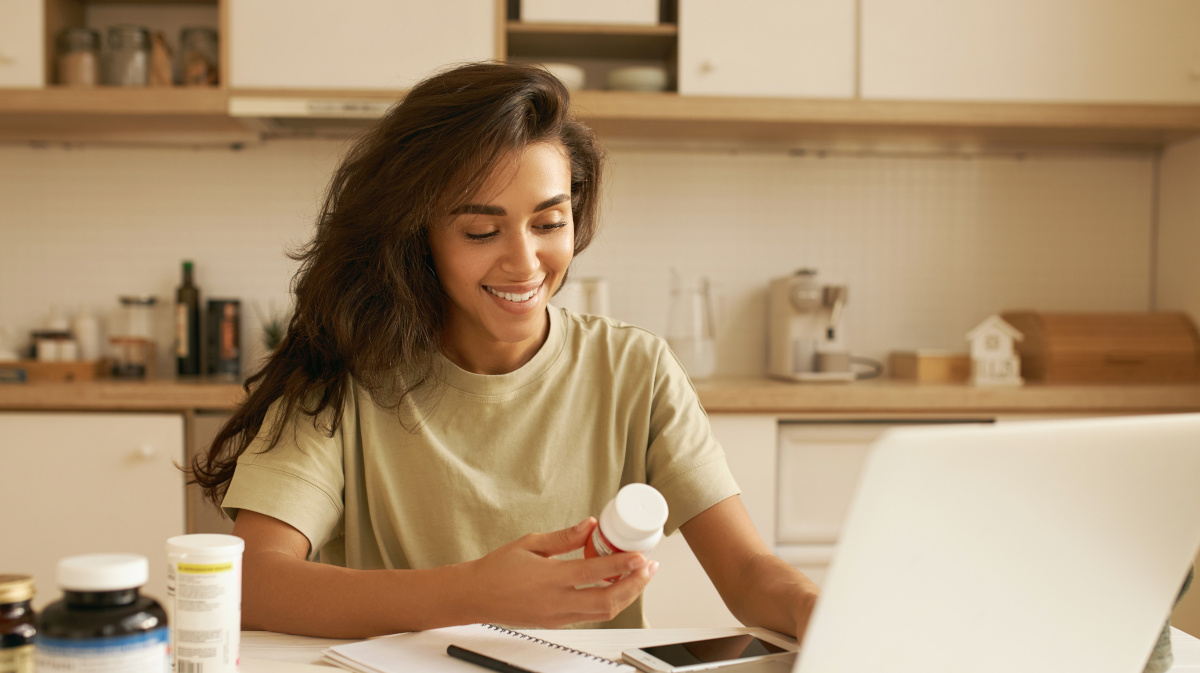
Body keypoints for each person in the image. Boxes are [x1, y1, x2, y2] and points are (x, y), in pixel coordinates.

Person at [191, 61, 820, 640]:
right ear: (419, 235)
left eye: (550, 223)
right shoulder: (347, 373)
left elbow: (748, 574)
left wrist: (816, 609)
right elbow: (250, 583)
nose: (525, 263)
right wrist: (473, 594)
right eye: (481, 231)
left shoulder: (635, 371)